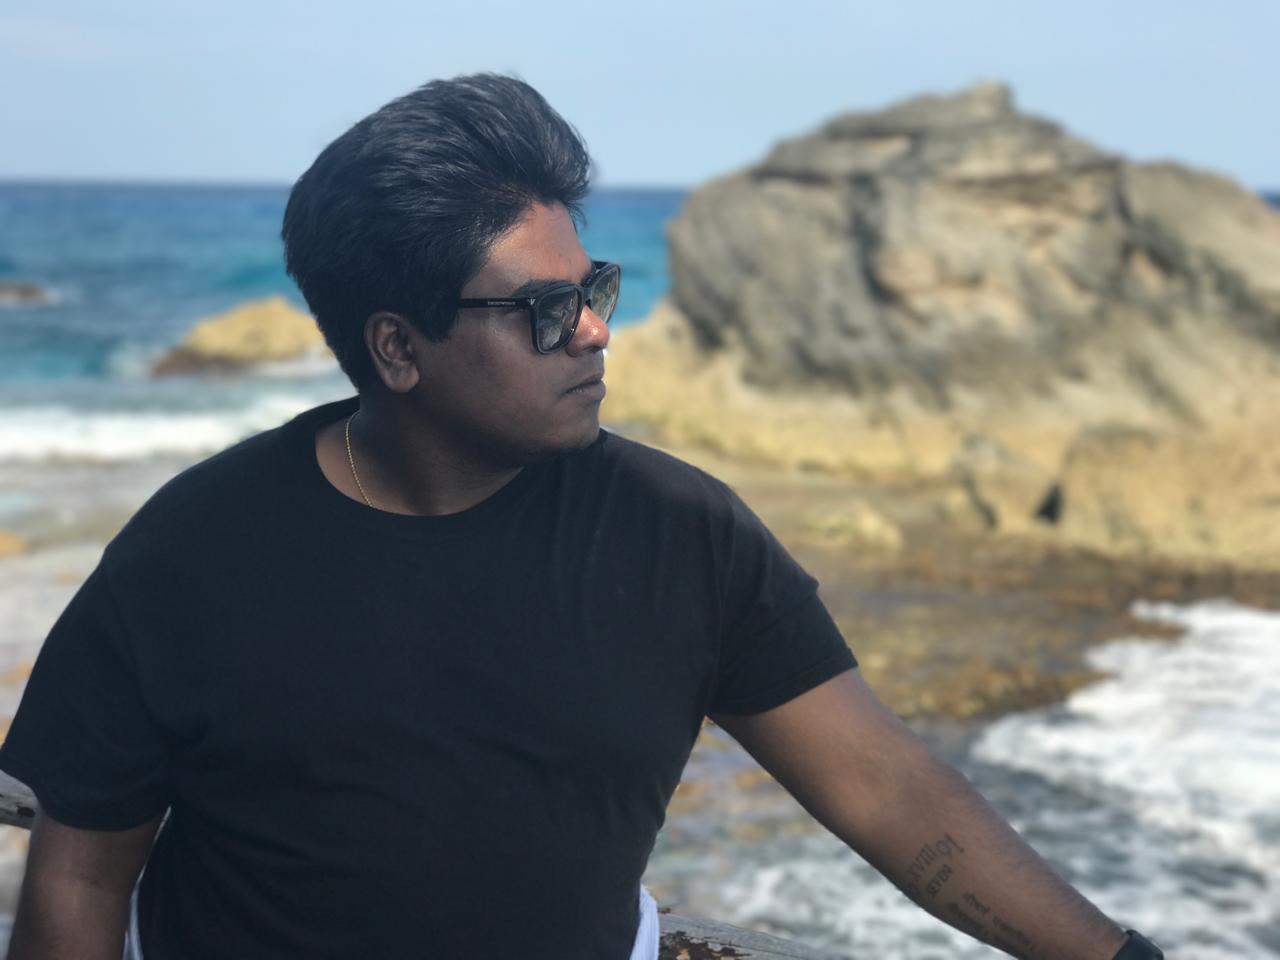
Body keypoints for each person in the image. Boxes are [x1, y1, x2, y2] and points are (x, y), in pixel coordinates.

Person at [0, 74, 1164, 960]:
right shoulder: (193, 556)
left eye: (593, 289)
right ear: (397, 348)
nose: (597, 331)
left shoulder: (680, 533)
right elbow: (80, 878)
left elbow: (885, 786)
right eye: (544, 310)